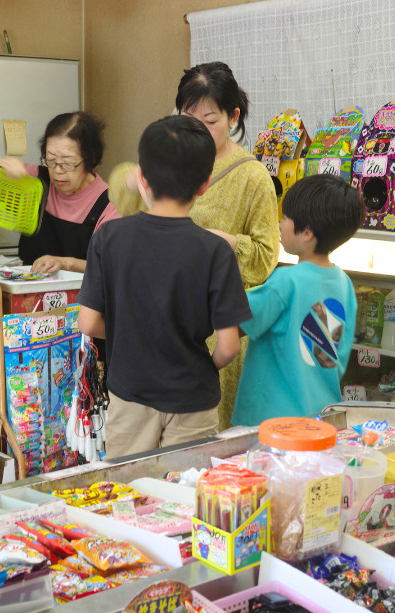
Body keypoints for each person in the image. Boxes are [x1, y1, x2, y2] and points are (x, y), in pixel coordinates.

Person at [108, 62, 280, 431]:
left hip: (216, 327)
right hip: (157, 312)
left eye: (211, 120)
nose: (199, 129)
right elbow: (131, 214)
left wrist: (227, 242)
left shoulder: (253, 176)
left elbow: (267, 258)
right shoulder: (169, 155)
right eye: (189, 117)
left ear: (233, 117)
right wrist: (129, 182)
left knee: (202, 446)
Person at [78, 115, 252, 460]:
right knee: (184, 495)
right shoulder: (215, 250)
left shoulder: (109, 238)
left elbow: (88, 322)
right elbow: (228, 346)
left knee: (128, 494)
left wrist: (130, 336)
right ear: (203, 184)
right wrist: (201, 364)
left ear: (142, 178)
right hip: (193, 397)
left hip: (130, 395)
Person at [231, 174, 364, 426]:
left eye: (285, 217)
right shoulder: (344, 284)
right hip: (318, 420)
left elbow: (235, 319)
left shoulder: (286, 281)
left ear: (306, 232)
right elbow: (336, 356)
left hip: (268, 422)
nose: (279, 224)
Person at [0, 111, 121, 274]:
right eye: (51, 160)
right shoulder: (35, 181)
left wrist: (65, 263)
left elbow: (109, 267)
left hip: (79, 296)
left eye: (68, 163)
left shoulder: (108, 204)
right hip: (29, 290)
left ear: (91, 159)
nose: (58, 171)